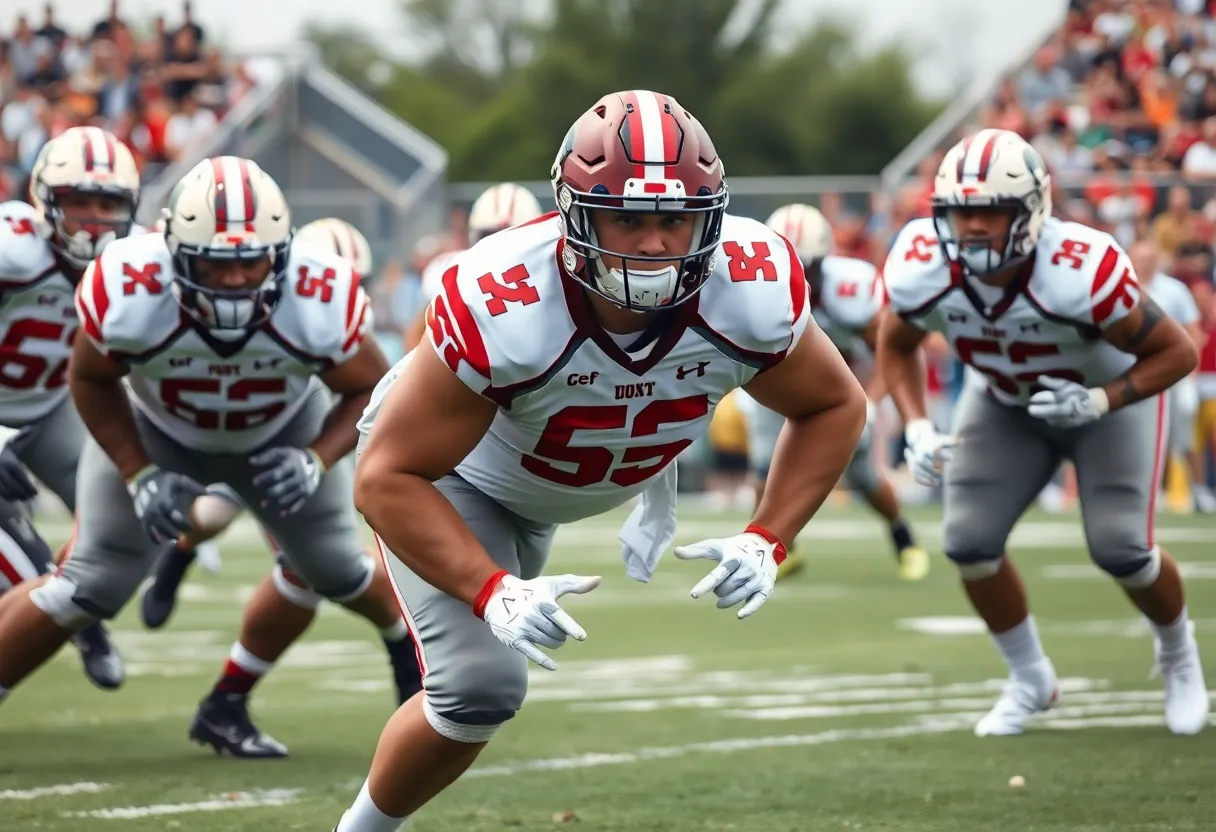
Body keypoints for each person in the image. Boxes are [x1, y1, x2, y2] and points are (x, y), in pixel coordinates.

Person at [335, 89, 866, 832]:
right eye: (629, 217)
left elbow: (834, 404)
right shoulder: (506, 300)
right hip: (454, 476)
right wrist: (493, 591)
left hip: (548, 477)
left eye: (675, 220)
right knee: (480, 689)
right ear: (574, 214)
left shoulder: (749, 284)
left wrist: (769, 534)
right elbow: (388, 477)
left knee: (485, 689)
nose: (654, 244)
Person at [0, 159, 422, 758]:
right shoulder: (128, 285)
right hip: (158, 429)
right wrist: (138, 472)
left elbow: (373, 392)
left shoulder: (318, 291)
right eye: (215, 264)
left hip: (281, 433)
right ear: (172, 251)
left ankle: (406, 661)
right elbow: (89, 380)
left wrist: (315, 458)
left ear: (282, 253)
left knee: (335, 568)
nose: (234, 280)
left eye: (250, 261)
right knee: (88, 584)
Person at [878, 128, 1207, 737]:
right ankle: (1032, 680)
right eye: (960, 211)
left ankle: (1178, 654)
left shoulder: (1081, 269)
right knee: (969, 542)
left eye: (989, 212)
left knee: (1120, 548)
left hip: (1107, 402)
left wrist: (1101, 399)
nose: (972, 227)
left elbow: (1177, 353)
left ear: (1030, 212)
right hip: (1005, 403)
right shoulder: (921, 260)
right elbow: (895, 347)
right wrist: (918, 425)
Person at [0, 126, 139, 693]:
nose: (92, 217)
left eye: (108, 203)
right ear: (44, 200)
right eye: (78, 200)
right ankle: (77, 625)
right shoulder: (13, 247)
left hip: (54, 405)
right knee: (23, 569)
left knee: (119, 517)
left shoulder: (139, 260)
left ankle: (87, 618)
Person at [740, 203, 928, 582]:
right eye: (786, 262)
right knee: (763, 467)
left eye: (807, 266)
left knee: (862, 475)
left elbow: (892, 350)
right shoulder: (753, 286)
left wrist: (871, 399)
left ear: (825, 261)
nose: (798, 275)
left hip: (838, 388)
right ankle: (773, 548)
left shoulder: (851, 289)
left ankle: (902, 535)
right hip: (775, 381)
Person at [403, 182, 543, 350]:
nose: (502, 244)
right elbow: (415, 344)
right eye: (491, 236)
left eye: (513, 234)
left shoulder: (553, 275)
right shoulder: (451, 273)